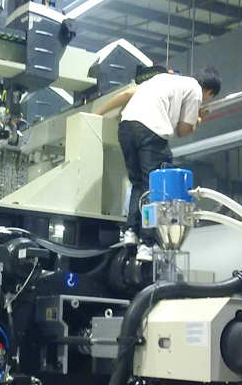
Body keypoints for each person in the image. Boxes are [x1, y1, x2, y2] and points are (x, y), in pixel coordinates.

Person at [94, 64, 221, 260]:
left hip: (126, 128)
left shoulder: (161, 79)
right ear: (209, 91)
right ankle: (147, 244)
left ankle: (131, 233)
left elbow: (126, 94)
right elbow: (183, 131)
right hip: (151, 131)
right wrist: (199, 119)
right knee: (156, 187)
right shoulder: (196, 91)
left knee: (138, 183)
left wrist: (97, 114)